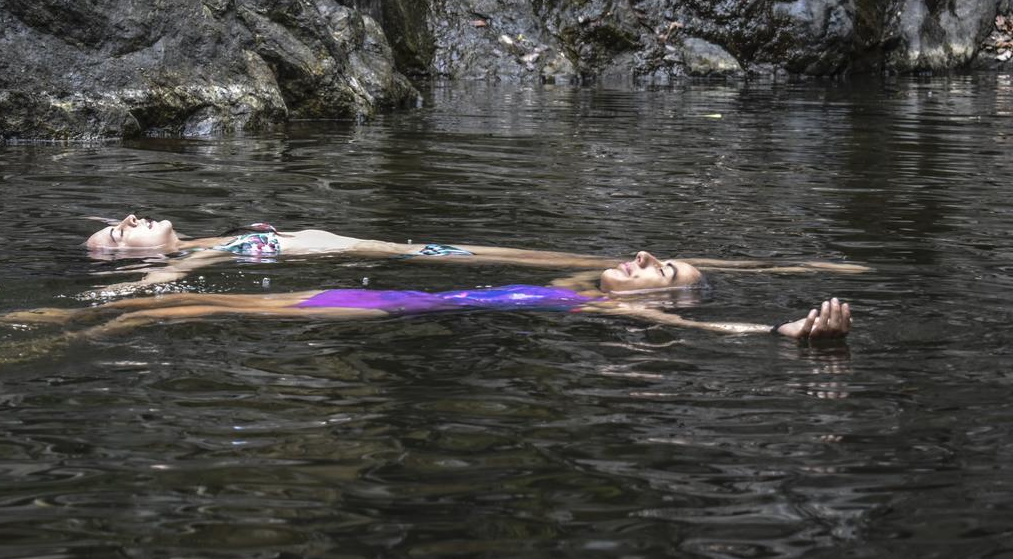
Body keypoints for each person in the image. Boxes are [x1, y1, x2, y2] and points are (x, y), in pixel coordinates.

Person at [61, 249, 853, 342]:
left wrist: (777, 330)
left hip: (397, 308)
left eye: (664, 273)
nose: (646, 262)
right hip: (396, 296)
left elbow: (719, 330)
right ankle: (82, 322)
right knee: (194, 303)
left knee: (196, 305)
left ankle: (73, 327)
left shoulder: (608, 309)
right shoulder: (570, 285)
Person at [82, 213, 867, 297]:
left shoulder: (210, 235)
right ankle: (763, 272)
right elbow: (165, 276)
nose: (127, 218)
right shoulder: (200, 259)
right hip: (403, 254)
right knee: (553, 258)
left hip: (408, 247)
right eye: (121, 233)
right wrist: (152, 276)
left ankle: (766, 269)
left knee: (563, 253)